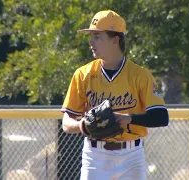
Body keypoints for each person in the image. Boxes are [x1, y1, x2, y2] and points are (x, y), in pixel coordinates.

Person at [61, 10, 169, 180]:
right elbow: (66, 123)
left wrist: (129, 118)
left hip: (131, 156)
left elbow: (161, 117)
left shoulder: (140, 75)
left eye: (97, 36)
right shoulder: (83, 74)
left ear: (115, 40)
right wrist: (82, 125)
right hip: (95, 155)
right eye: (91, 36)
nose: (91, 42)